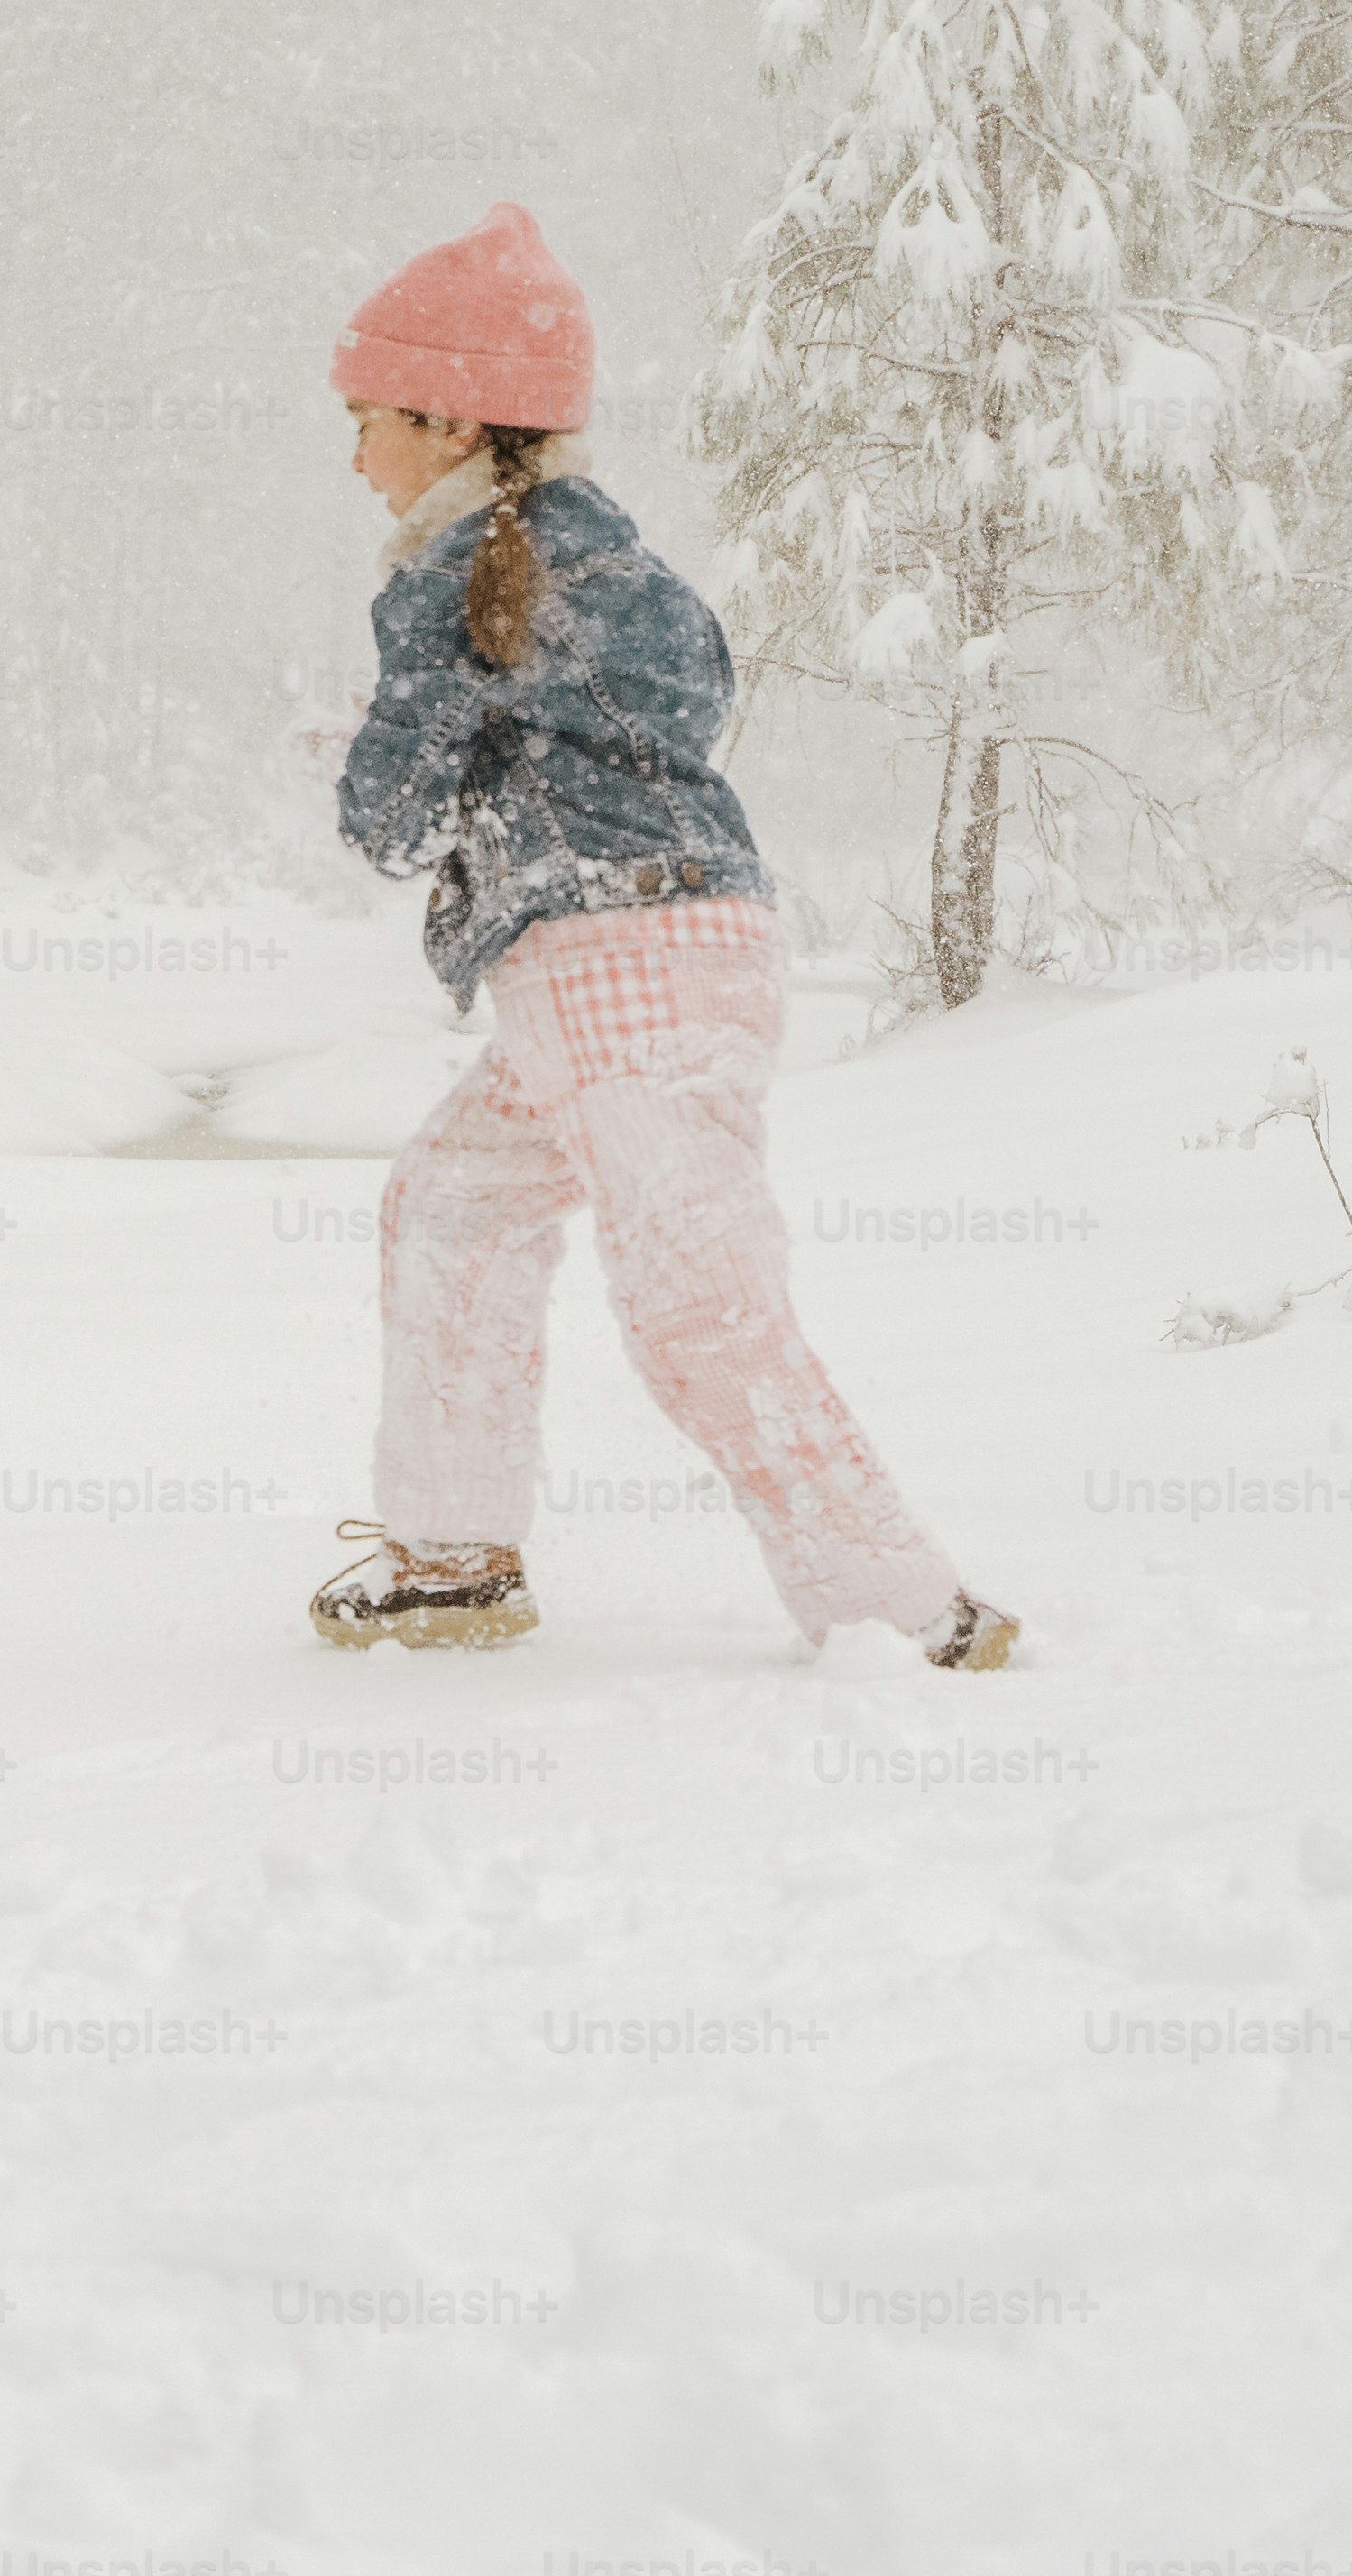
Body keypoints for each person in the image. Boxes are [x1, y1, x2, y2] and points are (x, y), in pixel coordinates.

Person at [311, 203, 1019, 1673]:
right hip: (696, 938)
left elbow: (389, 820)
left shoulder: (449, 576)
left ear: (450, 421)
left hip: (603, 963)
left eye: (367, 417)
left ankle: (899, 1605)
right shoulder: (620, 564)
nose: (356, 454)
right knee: (455, 1205)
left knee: (697, 1293)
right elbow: (678, 719)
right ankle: (451, 1559)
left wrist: (357, 757)